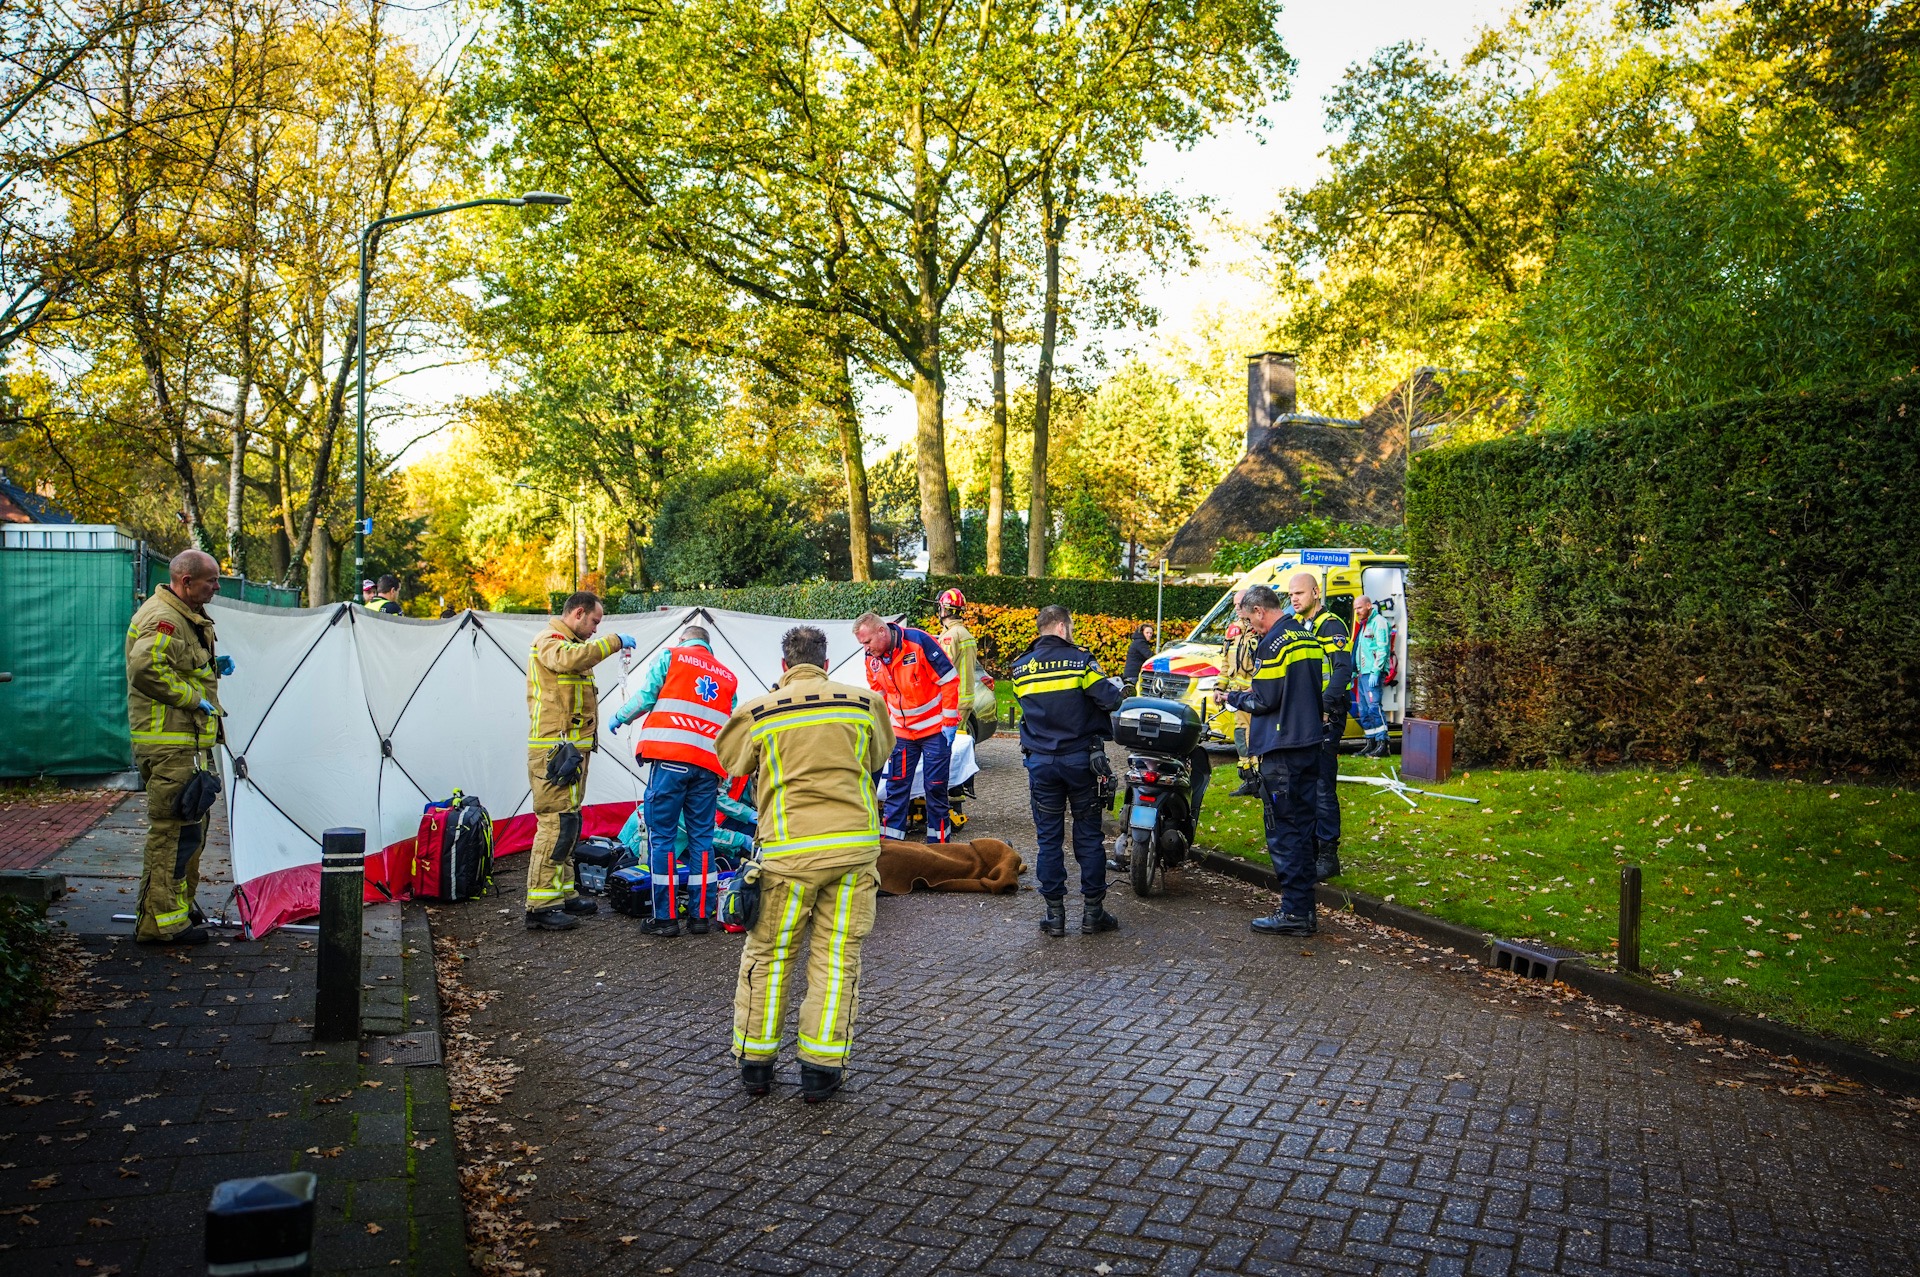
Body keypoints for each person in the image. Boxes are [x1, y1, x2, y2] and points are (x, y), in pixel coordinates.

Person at [716, 625, 894, 1103]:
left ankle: (756, 1065)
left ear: (784, 666)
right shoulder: (861, 703)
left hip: (787, 855)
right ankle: (821, 1069)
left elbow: (731, 763)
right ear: (826, 661)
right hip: (855, 850)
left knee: (769, 957)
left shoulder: (758, 712)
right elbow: (880, 755)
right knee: (837, 960)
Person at [124, 549, 229, 945]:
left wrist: (213, 668)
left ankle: (176, 911)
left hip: (185, 745)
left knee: (189, 831)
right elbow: (144, 669)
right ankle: (160, 924)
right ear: (186, 582)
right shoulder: (164, 618)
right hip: (170, 747)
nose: (217, 587)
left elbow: (178, 665)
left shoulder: (183, 617)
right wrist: (192, 699)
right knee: (173, 834)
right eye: (211, 581)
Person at [609, 624, 739, 936]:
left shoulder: (672, 657)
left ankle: (665, 919)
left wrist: (620, 716)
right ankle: (700, 918)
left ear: (683, 640)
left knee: (662, 838)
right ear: (708, 646)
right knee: (702, 840)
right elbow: (732, 722)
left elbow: (646, 696)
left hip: (670, 762)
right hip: (708, 767)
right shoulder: (728, 677)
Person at [1215, 584, 1324, 936]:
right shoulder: (1305, 635)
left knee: (1284, 830)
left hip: (1282, 750)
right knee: (1305, 829)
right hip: (1308, 743)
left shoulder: (1273, 643)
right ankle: (1304, 910)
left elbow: (1264, 699)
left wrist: (1234, 697)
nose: (1250, 628)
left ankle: (1293, 914)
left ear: (1260, 611)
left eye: (1249, 620)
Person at [1011, 605, 1125, 938]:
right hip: (1081, 762)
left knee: (1048, 840)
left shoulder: (1020, 667)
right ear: (1062, 627)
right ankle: (1093, 914)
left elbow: (1029, 708)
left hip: (1042, 765)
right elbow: (1110, 700)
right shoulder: (1080, 660)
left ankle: (1055, 916)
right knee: (1088, 837)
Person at [523, 590, 635, 931]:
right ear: (578, 613)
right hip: (554, 753)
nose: (596, 630)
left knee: (569, 822)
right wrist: (615, 642)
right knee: (555, 824)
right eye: (595, 622)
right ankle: (541, 905)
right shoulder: (551, 641)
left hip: (571, 753)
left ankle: (564, 893)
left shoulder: (570, 643)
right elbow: (568, 659)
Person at [853, 612, 960, 843]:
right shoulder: (871, 657)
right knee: (896, 790)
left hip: (935, 732)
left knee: (935, 789)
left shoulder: (919, 642)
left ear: (882, 631)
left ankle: (940, 849)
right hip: (901, 734)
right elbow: (878, 695)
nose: (866, 648)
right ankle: (891, 849)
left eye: (867, 642)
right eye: (862, 644)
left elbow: (949, 679)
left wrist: (950, 722)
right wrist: (878, 728)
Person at [1287, 572, 1353, 881]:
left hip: (1327, 717)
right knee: (1306, 784)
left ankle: (1329, 855)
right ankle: (1311, 847)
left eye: (1299, 593)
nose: (1294, 598)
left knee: (1323, 786)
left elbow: (1342, 669)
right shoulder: (1300, 626)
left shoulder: (1331, 625)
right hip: (1307, 717)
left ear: (1316, 592)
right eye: (1291, 595)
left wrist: (1324, 707)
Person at [1220, 599, 1261, 798]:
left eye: (1240, 603)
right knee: (1241, 734)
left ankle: (1258, 779)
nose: (1236, 607)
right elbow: (1226, 662)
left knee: (1254, 735)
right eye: (1234, 604)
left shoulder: (1260, 629)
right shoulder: (1233, 631)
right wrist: (1220, 688)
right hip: (1237, 696)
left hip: (1253, 696)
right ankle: (1248, 778)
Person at [1351, 595, 1391, 758]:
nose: (1357, 612)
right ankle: (1370, 742)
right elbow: (1361, 650)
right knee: (1364, 710)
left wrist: (1377, 670)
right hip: (1363, 673)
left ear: (1368, 605)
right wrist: (1355, 669)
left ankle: (1383, 744)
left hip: (1372, 672)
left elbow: (1383, 648)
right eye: (1355, 609)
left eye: (1359, 608)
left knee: (1374, 707)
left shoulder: (1378, 622)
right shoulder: (1365, 624)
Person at [933, 588, 977, 735]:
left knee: (949, 746)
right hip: (965, 699)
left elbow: (940, 669)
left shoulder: (950, 637)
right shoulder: (965, 634)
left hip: (955, 700)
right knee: (959, 741)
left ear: (945, 610)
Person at [1122, 623, 1156, 693]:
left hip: (1131, 674)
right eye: (1147, 633)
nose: (1149, 635)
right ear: (1142, 633)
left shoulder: (1137, 642)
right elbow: (1150, 656)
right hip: (1134, 675)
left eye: (1151, 633)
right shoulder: (1140, 643)